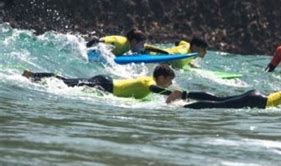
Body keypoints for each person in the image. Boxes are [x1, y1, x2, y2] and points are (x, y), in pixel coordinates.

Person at [22, 63, 177, 99]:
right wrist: (172, 94)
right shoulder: (148, 83)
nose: (170, 84)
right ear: (161, 78)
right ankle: (32, 75)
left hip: (106, 83)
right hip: (104, 85)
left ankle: (34, 76)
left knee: (66, 81)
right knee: (65, 82)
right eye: (169, 81)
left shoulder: (150, 80)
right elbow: (154, 90)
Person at [166, 77, 281, 110]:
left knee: (218, 100)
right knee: (217, 105)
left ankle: (184, 95)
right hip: (258, 102)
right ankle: (183, 108)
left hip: (257, 97)